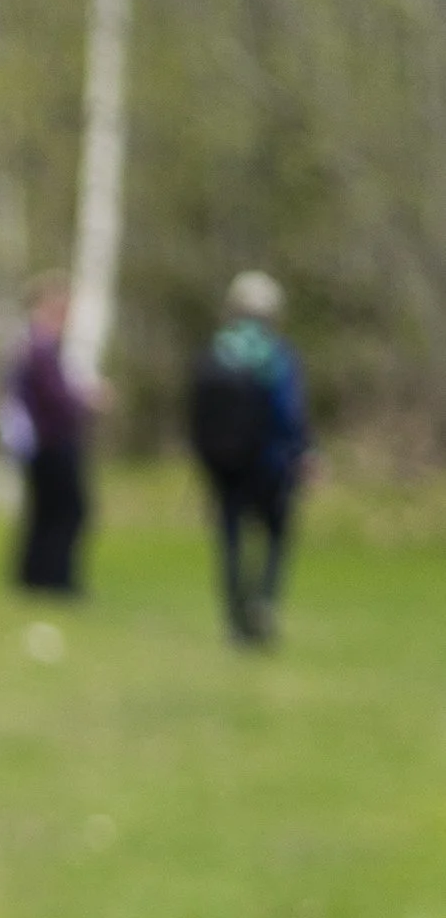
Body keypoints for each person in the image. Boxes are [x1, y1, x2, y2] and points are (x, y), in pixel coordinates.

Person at [188, 270, 311, 645]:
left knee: (230, 538)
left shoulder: (216, 351)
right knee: (274, 536)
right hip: (270, 463)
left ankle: (233, 617)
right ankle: (264, 602)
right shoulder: (277, 354)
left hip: (223, 465)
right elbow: (289, 411)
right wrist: (303, 450)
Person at [1, 272, 101, 595]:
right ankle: (54, 579)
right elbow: (53, 397)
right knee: (67, 510)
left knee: (45, 511)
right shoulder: (40, 347)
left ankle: (37, 578)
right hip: (50, 441)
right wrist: (85, 399)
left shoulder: (36, 344)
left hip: (42, 440)